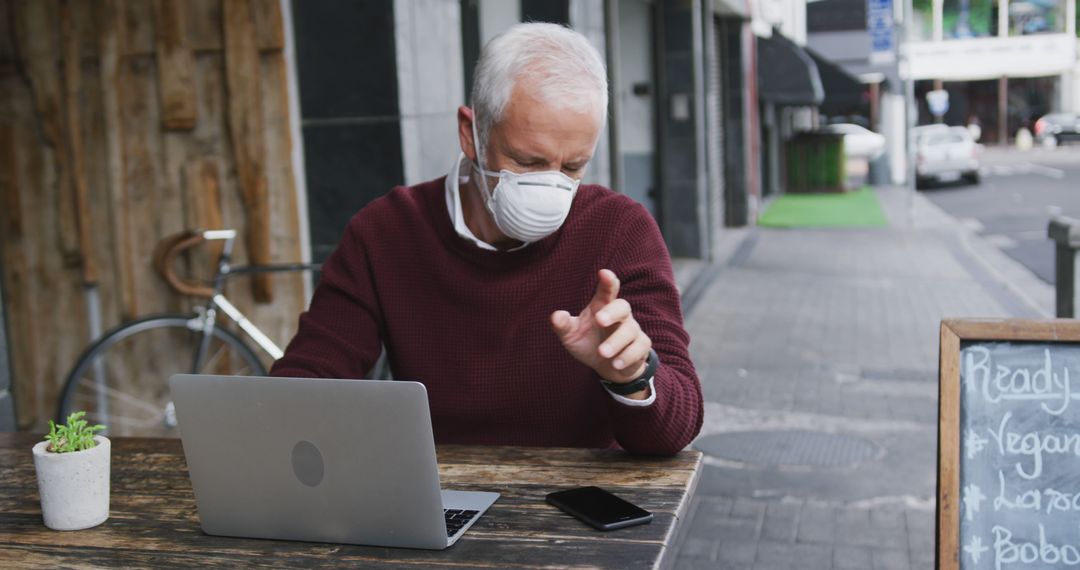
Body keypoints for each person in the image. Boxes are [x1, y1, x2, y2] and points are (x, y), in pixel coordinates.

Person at [270, 23, 702, 456]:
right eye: (527, 161)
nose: (549, 187)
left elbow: (677, 428)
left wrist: (631, 374)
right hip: (437, 497)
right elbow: (315, 371)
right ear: (470, 134)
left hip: (579, 506)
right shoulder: (386, 232)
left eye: (572, 167)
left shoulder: (619, 229)